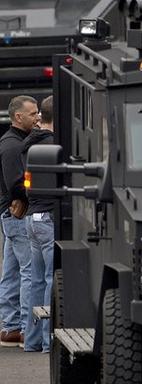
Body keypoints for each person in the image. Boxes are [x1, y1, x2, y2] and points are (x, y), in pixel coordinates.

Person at [0, 95, 39, 348]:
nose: (37, 117)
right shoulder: (13, 146)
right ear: (18, 117)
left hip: (9, 215)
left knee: (11, 272)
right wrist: (28, 196)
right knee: (28, 272)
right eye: (33, 113)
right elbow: (16, 184)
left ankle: (9, 326)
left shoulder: (14, 141)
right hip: (17, 214)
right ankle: (25, 328)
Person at [22, 95, 55, 353]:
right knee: (51, 280)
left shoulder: (28, 144)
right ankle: (47, 341)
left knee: (36, 282)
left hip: (32, 218)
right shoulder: (53, 145)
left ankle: (32, 340)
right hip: (48, 218)